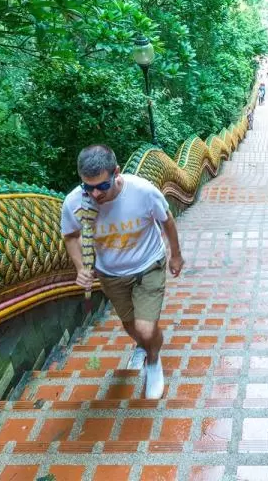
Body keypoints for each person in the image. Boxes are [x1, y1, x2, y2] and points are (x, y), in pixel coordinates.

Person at [61, 145, 184, 399]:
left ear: (116, 173)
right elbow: (70, 236)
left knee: (146, 328)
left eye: (102, 186)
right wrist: (80, 267)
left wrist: (176, 255)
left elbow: (167, 219)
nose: (95, 194)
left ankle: (153, 362)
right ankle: (144, 346)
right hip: (111, 275)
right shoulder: (74, 202)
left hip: (149, 265)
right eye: (88, 187)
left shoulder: (143, 192)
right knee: (131, 327)